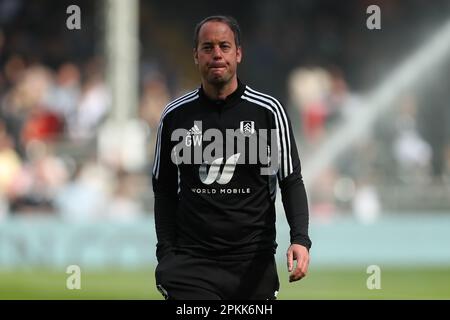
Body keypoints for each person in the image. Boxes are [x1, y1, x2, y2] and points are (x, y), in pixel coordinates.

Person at [152, 15, 311, 300]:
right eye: (207, 47)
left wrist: (300, 239)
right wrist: (165, 252)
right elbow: (163, 190)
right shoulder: (175, 115)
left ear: (238, 53)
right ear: (195, 55)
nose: (216, 55)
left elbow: (290, 180)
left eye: (224, 46)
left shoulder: (269, 112)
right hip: (192, 265)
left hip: (253, 265)